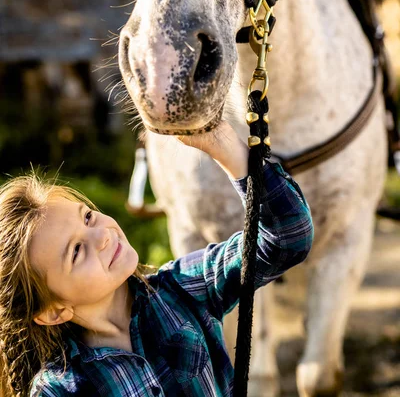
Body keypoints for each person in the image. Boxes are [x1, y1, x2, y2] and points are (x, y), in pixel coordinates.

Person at [0, 121, 313, 397]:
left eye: (88, 217)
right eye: (77, 251)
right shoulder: (60, 389)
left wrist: (224, 145)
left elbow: (288, 236)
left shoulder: (183, 287)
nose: (103, 235)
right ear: (53, 311)